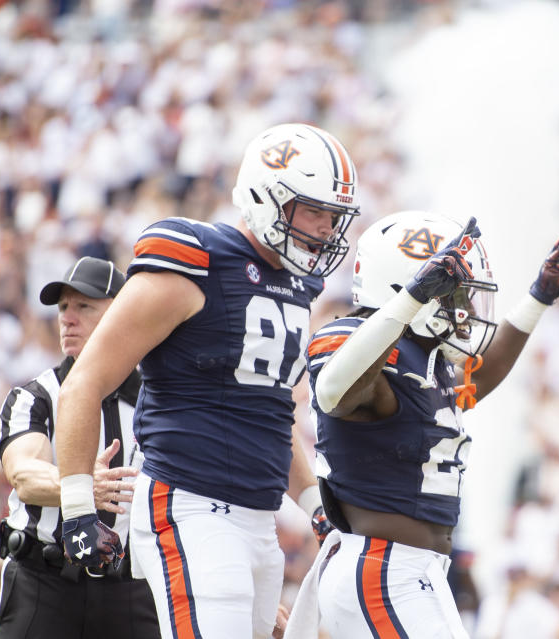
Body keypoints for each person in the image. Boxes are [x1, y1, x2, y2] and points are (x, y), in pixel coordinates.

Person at [54, 123, 360, 639]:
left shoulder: (296, 285)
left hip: (259, 520)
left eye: (333, 217)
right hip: (191, 503)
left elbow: (269, 416)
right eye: (314, 211)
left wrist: (315, 508)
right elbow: (83, 382)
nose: (326, 230)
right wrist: (78, 508)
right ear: (268, 199)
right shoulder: (195, 260)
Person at [284, 210, 559, 638]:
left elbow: (477, 380)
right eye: (454, 293)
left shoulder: (424, 359)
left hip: (405, 570)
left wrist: (537, 298)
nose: (464, 308)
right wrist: (410, 300)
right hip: (385, 570)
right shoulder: (357, 342)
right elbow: (334, 391)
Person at [0, 256, 159, 639]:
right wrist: (81, 486)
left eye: (84, 305)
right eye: (64, 307)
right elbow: (24, 475)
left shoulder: (160, 404)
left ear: (122, 315)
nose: (68, 317)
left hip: (132, 587)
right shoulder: (34, 396)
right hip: (44, 581)